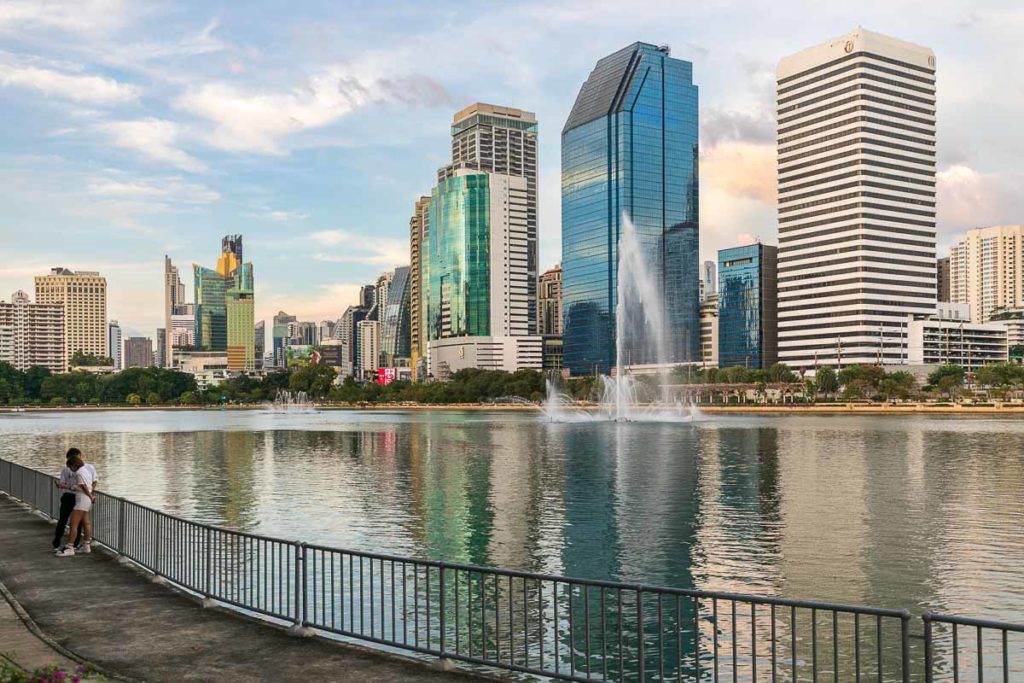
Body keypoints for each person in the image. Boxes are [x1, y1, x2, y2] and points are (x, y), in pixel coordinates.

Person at [55, 455, 95, 557]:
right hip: (86, 500)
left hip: (82, 499)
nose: (70, 470)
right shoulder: (86, 470)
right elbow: (84, 486)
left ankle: (70, 547)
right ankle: (86, 545)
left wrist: (91, 496)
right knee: (86, 523)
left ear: (74, 465)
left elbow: (83, 486)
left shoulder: (78, 473)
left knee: (73, 524)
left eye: (70, 467)